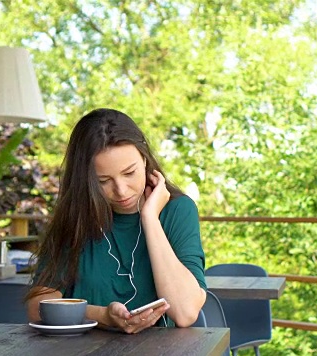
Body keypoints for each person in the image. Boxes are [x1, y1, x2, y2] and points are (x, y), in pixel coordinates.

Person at [26, 108, 206, 333]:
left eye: (130, 173)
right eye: (103, 181)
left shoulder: (177, 210)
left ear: (144, 158)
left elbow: (185, 311)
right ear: (86, 180)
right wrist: (101, 315)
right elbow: (38, 307)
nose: (121, 191)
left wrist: (150, 218)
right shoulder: (78, 217)